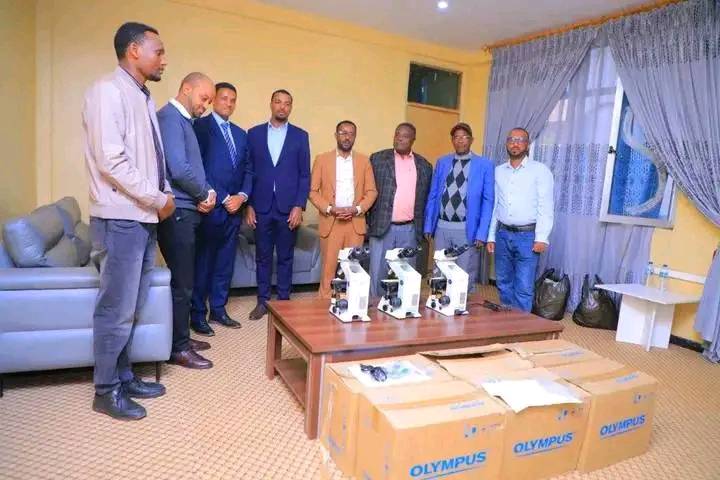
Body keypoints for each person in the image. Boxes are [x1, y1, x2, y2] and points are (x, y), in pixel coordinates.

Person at [83, 22, 174, 420]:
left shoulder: (142, 95)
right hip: (120, 218)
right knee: (115, 309)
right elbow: (112, 161)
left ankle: (123, 376)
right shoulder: (107, 91)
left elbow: (151, 159)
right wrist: (158, 198)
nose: (164, 60)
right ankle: (105, 391)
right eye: (159, 51)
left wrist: (162, 194)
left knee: (131, 307)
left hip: (142, 216)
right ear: (134, 50)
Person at [156, 73, 215, 369]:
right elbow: (178, 169)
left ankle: (181, 338)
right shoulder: (170, 118)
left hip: (186, 209)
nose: (206, 105)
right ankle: (178, 348)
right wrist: (204, 193)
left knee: (185, 280)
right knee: (182, 283)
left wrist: (205, 193)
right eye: (204, 98)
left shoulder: (183, 121)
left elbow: (189, 167)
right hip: (177, 211)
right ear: (186, 89)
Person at [245, 90, 311, 320]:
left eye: (287, 103)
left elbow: (304, 175)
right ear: (271, 104)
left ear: (291, 107)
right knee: (263, 256)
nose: (282, 107)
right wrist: (249, 204)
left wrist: (299, 206)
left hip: (288, 207)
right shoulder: (253, 134)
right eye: (278, 102)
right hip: (261, 206)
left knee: (285, 256)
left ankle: (283, 302)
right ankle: (263, 302)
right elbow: (248, 170)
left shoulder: (300, 136)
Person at [191, 82, 251, 332]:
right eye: (224, 98)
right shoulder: (200, 127)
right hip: (211, 207)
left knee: (225, 264)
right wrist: (225, 197)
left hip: (235, 211)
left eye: (233, 100)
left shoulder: (241, 134)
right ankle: (197, 315)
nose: (229, 103)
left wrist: (242, 196)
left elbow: (248, 169)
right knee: (204, 263)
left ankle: (218, 310)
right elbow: (198, 168)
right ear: (214, 100)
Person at [487, 127, 554, 311]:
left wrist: (542, 238)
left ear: (527, 145)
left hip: (528, 236)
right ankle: (507, 319)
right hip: (502, 234)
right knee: (503, 282)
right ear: (506, 144)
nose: (515, 144)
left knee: (524, 286)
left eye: (520, 140)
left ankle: (522, 324)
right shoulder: (499, 171)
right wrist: (491, 236)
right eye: (511, 140)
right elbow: (495, 206)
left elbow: (546, 206)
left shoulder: (540, 171)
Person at [308, 121, 377, 298]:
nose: (347, 137)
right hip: (331, 222)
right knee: (328, 271)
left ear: (355, 137)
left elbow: (372, 192)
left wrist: (358, 209)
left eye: (351, 134)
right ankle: (324, 305)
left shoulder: (364, 161)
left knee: (353, 269)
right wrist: (330, 209)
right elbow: (312, 191)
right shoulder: (322, 159)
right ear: (336, 135)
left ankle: (351, 305)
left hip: (355, 222)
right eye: (343, 133)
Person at [424, 123, 494, 292]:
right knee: (440, 271)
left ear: (471, 140)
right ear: (452, 140)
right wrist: (428, 225)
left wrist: (482, 233)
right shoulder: (442, 162)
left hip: (466, 229)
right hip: (442, 227)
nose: (460, 140)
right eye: (456, 137)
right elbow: (433, 194)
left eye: (464, 137)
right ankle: (439, 301)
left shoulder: (484, 164)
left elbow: (488, 201)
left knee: (463, 274)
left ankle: (461, 305)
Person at [367, 123, 433, 297]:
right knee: (378, 274)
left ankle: (404, 307)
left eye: (405, 136)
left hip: (410, 229)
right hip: (382, 227)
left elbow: (426, 198)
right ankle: (376, 307)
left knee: (407, 275)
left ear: (413, 140)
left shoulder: (424, 166)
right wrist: (368, 221)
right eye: (397, 134)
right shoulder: (377, 159)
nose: (399, 139)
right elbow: (367, 191)